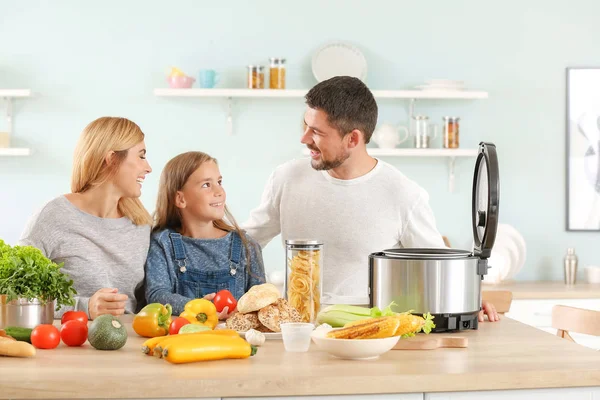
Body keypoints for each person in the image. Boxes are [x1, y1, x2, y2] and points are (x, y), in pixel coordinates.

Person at [243, 76, 499, 322]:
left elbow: (437, 267)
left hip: (371, 333)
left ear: (353, 138)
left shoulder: (403, 193)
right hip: (298, 326)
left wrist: (468, 298)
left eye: (317, 132)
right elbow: (245, 243)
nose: (304, 139)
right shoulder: (287, 178)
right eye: (305, 126)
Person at [19, 117, 153, 320]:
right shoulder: (53, 216)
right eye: (141, 157)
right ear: (111, 159)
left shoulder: (141, 223)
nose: (148, 168)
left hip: (130, 345)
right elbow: (15, 295)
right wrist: (84, 307)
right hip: (72, 345)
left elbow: (147, 301)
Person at [144, 151, 266, 317]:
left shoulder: (247, 245)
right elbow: (156, 296)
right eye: (206, 185)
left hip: (234, 340)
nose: (219, 191)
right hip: (181, 339)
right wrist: (199, 307)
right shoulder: (163, 243)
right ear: (180, 199)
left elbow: (261, 300)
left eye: (219, 182)